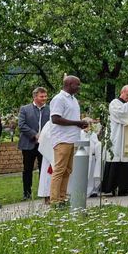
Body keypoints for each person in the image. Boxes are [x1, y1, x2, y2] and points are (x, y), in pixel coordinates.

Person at [49, 75, 89, 206]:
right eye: (77, 85)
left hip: (73, 138)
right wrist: (76, 123)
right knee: (59, 169)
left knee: (68, 170)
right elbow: (55, 119)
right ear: (69, 84)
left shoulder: (73, 99)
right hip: (62, 139)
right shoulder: (59, 99)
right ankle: (54, 200)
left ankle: (62, 197)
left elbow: (71, 118)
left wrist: (80, 124)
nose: (79, 87)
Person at [103, 85, 128, 196]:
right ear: (122, 92)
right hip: (117, 137)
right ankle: (112, 188)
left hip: (127, 137)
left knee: (127, 162)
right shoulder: (114, 103)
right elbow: (120, 115)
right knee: (116, 160)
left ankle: (124, 188)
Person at [17, 87, 50, 201]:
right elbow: (21, 125)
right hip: (29, 143)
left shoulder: (50, 110)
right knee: (27, 169)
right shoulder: (25, 109)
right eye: (42, 96)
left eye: (45, 96)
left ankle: (44, 192)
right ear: (35, 97)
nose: (44, 98)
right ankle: (27, 193)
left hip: (45, 144)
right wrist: (34, 135)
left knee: (44, 168)